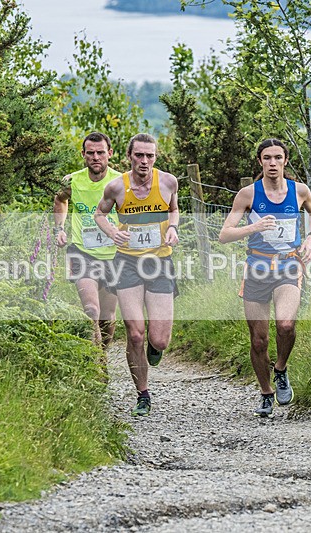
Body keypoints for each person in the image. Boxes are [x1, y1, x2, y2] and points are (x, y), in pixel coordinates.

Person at [218, 138, 311, 417]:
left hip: (288, 266)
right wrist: (254, 228)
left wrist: (310, 238)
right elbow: (224, 235)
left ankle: (281, 369)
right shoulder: (248, 195)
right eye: (267, 158)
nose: (272, 163)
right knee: (259, 340)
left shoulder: (299, 190)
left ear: (286, 161)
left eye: (277, 158)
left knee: (286, 325)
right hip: (257, 270)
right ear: (260, 161)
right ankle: (266, 394)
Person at [94, 133, 179, 416]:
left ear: (156, 157)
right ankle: (142, 394)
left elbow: (174, 209)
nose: (144, 161)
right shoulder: (116, 187)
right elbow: (100, 215)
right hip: (127, 264)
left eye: (150, 156)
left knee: (159, 339)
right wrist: (113, 232)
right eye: (139, 155)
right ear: (129, 157)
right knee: (135, 333)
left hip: (159, 263)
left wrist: (172, 228)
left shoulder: (167, 182)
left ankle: (157, 347)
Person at [54, 132, 122, 350]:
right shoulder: (72, 181)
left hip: (114, 255)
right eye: (90, 153)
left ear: (109, 154)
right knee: (91, 310)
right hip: (82, 252)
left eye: (100, 153)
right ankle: (96, 363)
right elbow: (60, 200)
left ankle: (102, 354)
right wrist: (60, 229)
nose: (95, 157)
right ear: (83, 155)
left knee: (107, 316)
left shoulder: (121, 182)